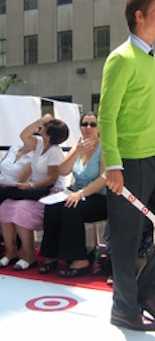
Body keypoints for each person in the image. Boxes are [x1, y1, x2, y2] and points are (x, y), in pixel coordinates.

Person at [98, 0, 155, 332]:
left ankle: (149, 293)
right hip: (129, 163)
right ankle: (123, 307)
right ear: (139, 16)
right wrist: (113, 165)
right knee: (125, 238)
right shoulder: (121, 58)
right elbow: (107, 116)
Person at [38, 112, 107, 277]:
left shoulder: (105, 148)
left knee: (71, 209)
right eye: (84, 124)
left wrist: (81, 194)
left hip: (100, 197)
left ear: (99, 128)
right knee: (52, 207)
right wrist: (77, 151)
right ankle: (51, 255)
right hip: (76, 193)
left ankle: (80, 259)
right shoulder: (79, 146)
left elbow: (105, 178)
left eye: (92, 124)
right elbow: (62, 170)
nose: (88, 128)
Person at [0, 114, 69, 270]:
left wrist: (31, 186)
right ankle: (11, 252)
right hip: (35, 190)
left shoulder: (54, 151)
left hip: (48, 192)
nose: (41, 128)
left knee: (21, 209)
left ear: (49, 133)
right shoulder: (38, 144)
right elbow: (24, 135)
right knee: (5, 206)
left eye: (44, 127)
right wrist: (40, 121)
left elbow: (52, 178)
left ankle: (29, 254)